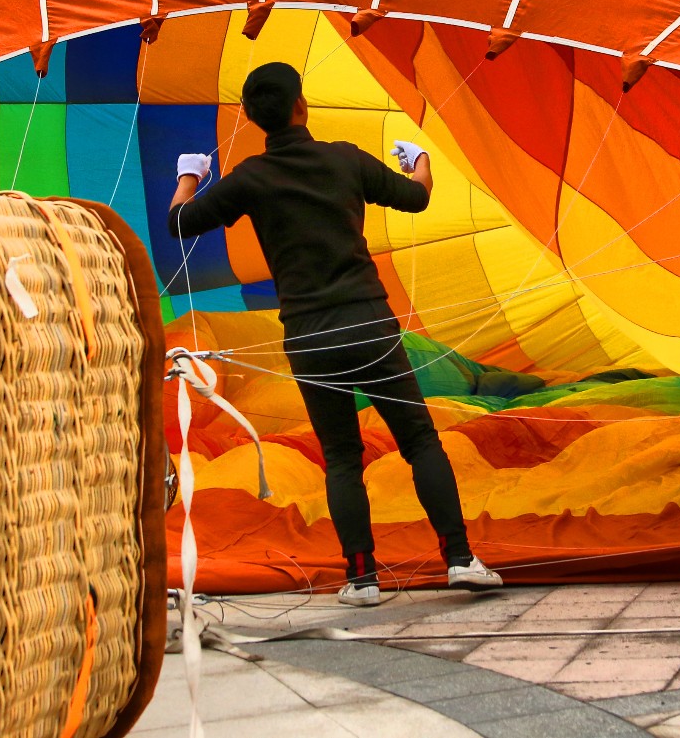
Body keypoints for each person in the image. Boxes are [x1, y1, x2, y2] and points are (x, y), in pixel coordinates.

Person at [167, 61, 502, 607]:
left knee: (342, 457)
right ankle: (461, 559)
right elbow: (416, 197)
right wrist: (419, 161)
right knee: (419, 441)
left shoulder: (251, 176)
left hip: (308, 337)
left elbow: (179, 222)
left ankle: (361, 578)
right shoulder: (344, 157)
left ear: (252, 119)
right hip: (370, 321)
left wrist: (190, 177)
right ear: (302, 106)